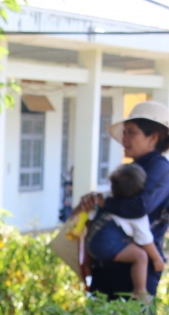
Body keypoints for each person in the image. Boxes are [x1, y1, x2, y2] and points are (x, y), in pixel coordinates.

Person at [74, 100, 169, 304]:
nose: (124, 139)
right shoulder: (135, 169)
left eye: (131, 133)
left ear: (153, 138)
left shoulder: (160, 168)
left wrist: (102, 203)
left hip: (133, 271)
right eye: (124, 133)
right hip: (111, 264)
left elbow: (140, 207)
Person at [83, 164, 164, 306]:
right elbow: (145, 239)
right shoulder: (135, 213)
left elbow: (89, 220)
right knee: (140, 256)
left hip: (90, 242)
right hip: (105, 245)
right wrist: (157, 259)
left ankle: (88, 266)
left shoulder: (106, 199)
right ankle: (140, 291)